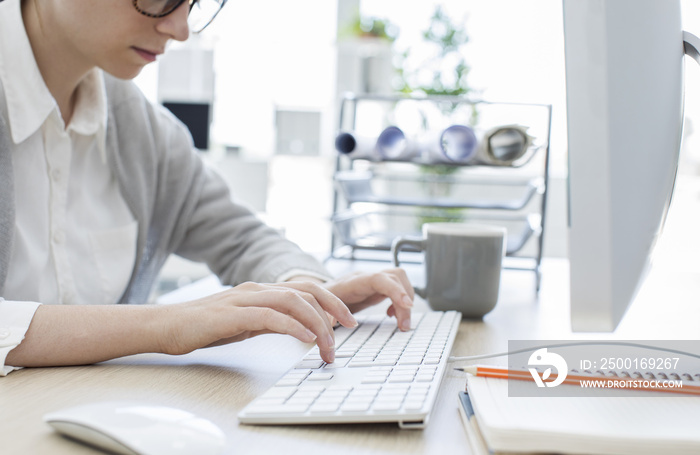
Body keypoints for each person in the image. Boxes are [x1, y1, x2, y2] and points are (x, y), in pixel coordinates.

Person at [0, 0, 414, 376]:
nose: (180, 29)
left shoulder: (140, 128)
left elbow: (242, 238)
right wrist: (169, 324)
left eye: (193, 3)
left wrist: (311, 292)